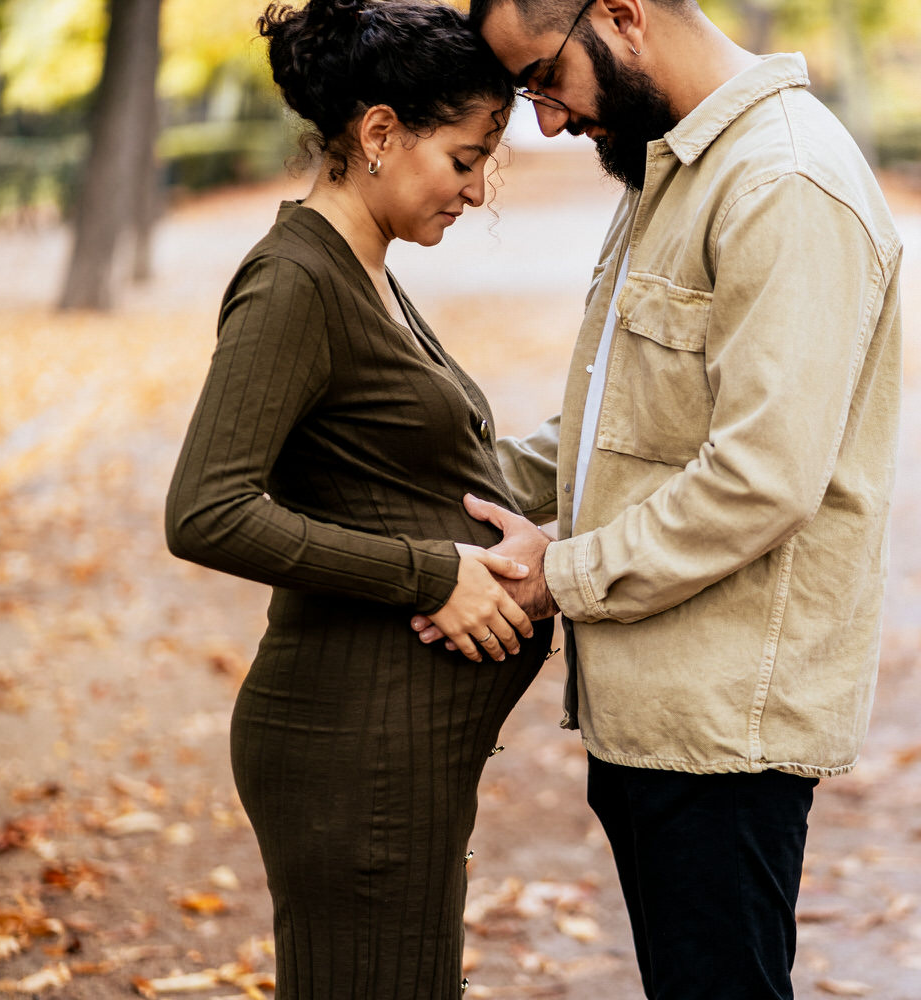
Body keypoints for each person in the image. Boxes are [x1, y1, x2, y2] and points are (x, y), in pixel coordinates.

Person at [412, 1, 904, 997]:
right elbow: (611, 427)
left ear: (625, 15)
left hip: (722, 735)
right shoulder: (670, 170)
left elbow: (761, 477)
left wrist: (558, 572)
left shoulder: (784, 182)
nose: (543, 121)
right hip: (650, 713)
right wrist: (426, 490)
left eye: (544, 78)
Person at [163, 1, 555, 996]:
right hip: (352, 748)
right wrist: (434, 573)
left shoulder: (365, 269)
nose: (477, 189)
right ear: (379, 133)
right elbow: (207, 507)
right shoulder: (295, 282)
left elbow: (396, 474)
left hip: (396, 746)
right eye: (465, 158)